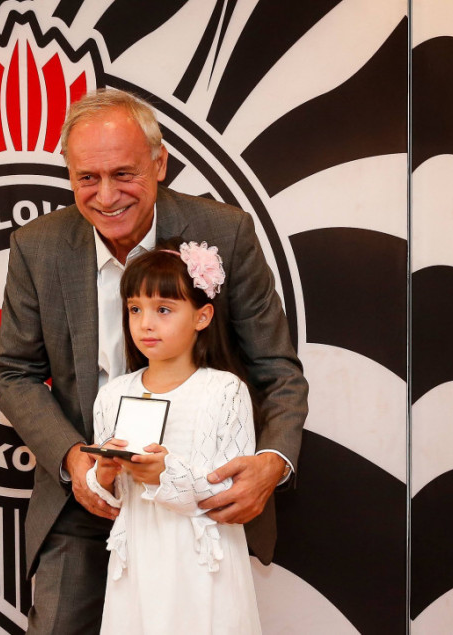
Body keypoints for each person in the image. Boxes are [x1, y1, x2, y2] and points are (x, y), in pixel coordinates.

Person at [0, 88, 308, 634]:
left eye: (124, 174)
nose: (106, 195)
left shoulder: (225, 234)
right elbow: (13, 372)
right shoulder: (37, 246)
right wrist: (74, 460)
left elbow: (277, 370)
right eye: (87, 177)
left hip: (197, 505)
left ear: (159, 163)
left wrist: (273, 461)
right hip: (86, 495)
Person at [87, 241, 262, 634]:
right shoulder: (112, 394)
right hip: (138, 563)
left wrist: (167, 474)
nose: (145, 323)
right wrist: (104, 473)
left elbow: (231, 490)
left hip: (204, 564)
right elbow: (109, 498)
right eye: (135, 309)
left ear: (202, 316)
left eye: (163, 309)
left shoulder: (224, 391)